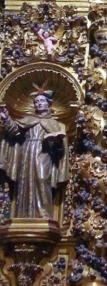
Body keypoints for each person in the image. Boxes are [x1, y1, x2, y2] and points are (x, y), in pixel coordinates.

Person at [0, 90, 69, 219]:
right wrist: (6, 119)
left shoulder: (55, 124)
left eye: (42, 101)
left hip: (44, 153)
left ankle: (44, 213)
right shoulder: (28, 120)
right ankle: (23, 214)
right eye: (36, 101)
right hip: (26, 152)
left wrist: (57, 142)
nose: (39, 103)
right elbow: (13, 130)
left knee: (42, 179)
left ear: (48, 103)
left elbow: (60, 150)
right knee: (25, 181)